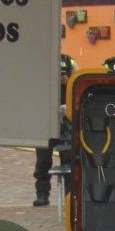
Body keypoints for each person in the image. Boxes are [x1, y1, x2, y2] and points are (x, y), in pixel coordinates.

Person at [34, 51, 78, 206]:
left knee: (68, 159)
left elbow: (79, 82)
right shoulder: (39, 59)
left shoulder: (69, 61)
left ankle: (69, 196)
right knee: (43, 160)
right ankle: (42, 194)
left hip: (66, 119)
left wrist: (68, 81)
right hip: (45, 119)